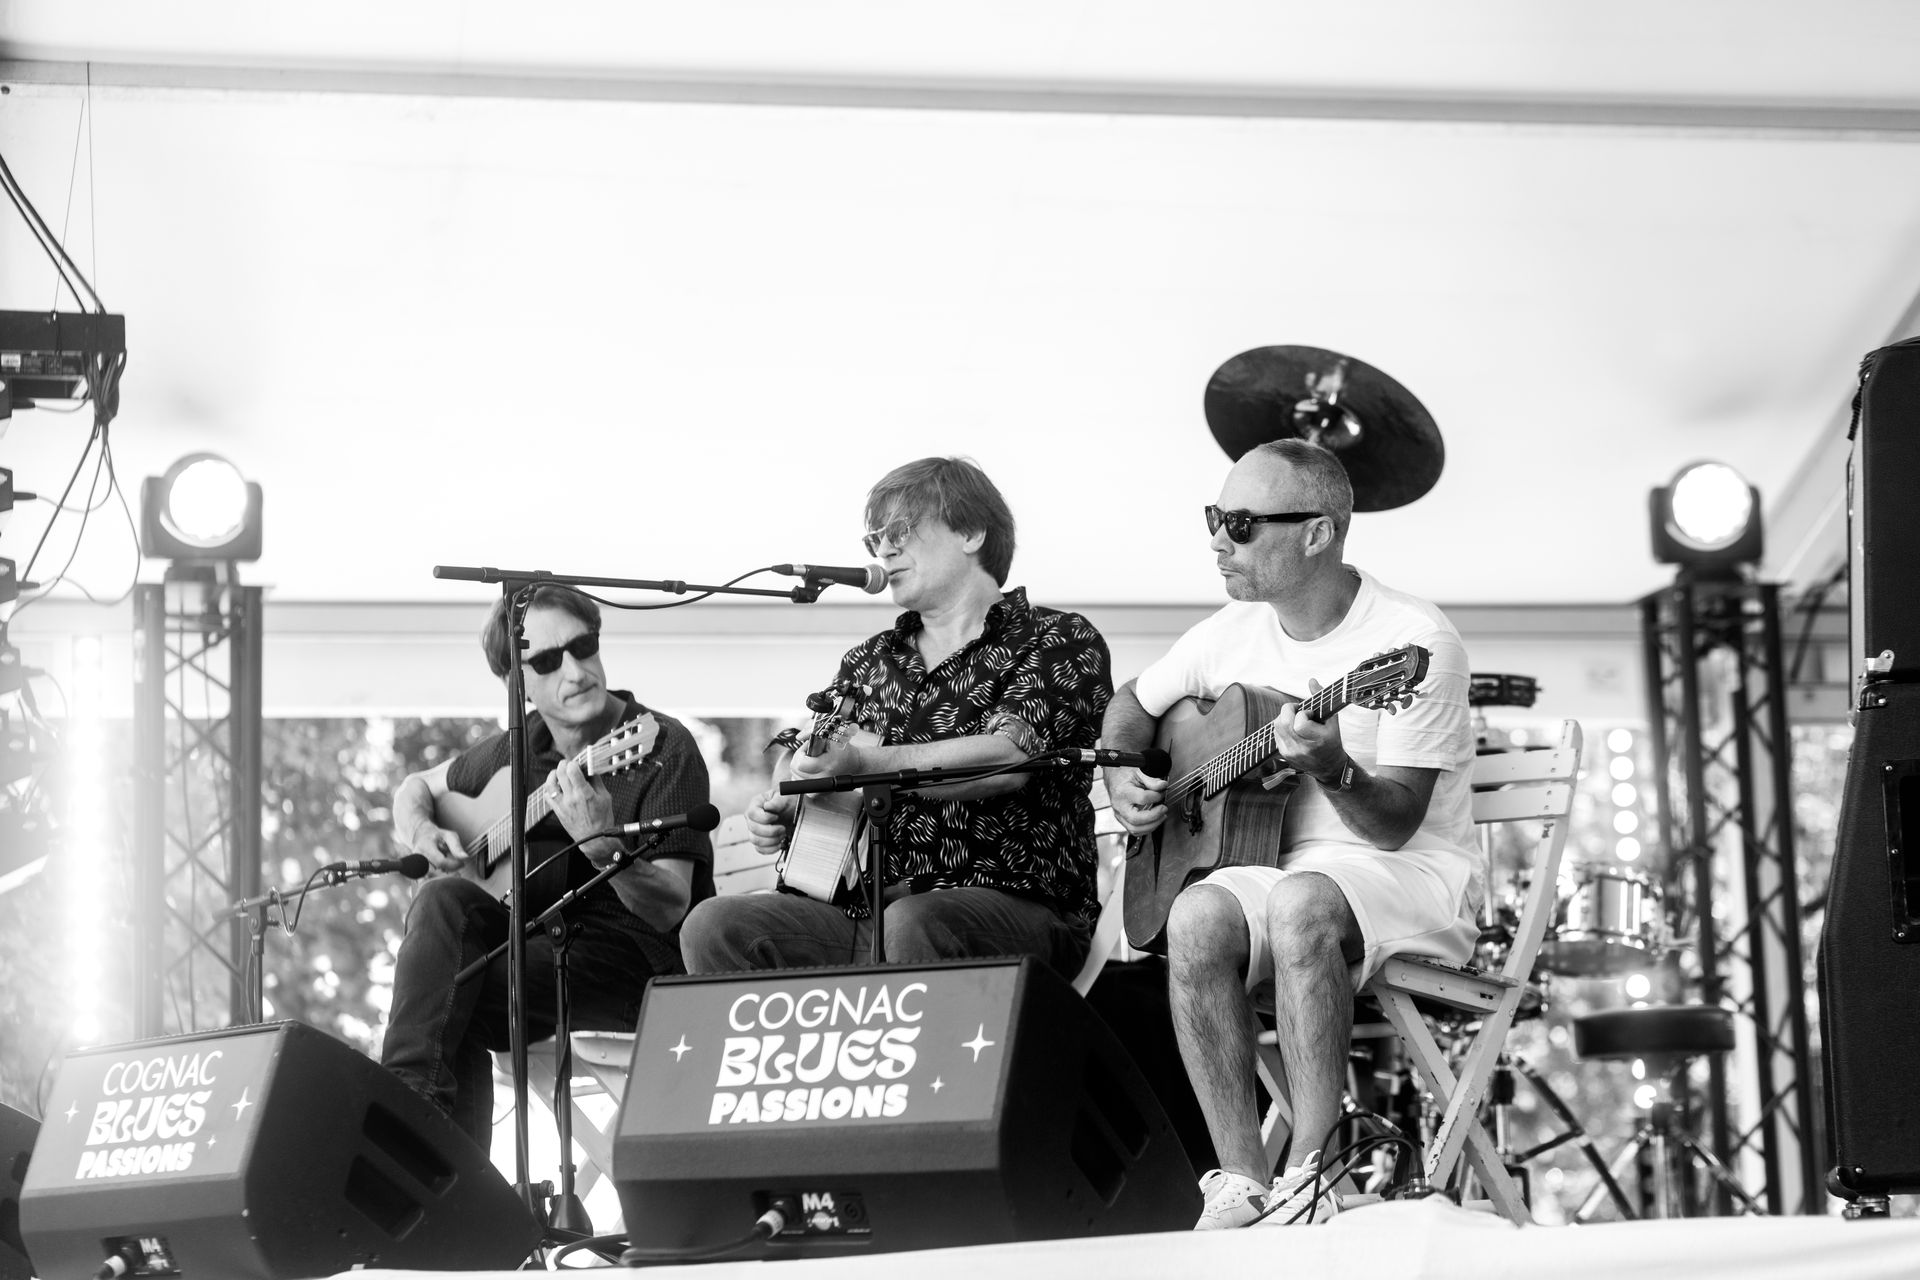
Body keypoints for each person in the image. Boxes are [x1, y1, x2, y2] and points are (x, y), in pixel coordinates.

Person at [1099, 439, 1475, 1228]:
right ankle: (1239, 1177)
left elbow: (1396, 825)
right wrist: (1124, 770)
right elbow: (1132, 700)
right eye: (1214, 518)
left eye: (1240, 524)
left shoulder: (1412, 640)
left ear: (1317, 533)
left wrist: (1334, 769)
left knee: (1301, 902)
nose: (1217, 541)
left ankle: (1311, 1170)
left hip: (1408, 871)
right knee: (1195, 914)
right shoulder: (1230, 630)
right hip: (1280, 868)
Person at [680, 456, 1111, 978]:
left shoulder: (1055, 637)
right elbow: (814, 752)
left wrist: (864, 764)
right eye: (875, 539)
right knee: (714, 926)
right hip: (865, 913)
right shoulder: (869, 660)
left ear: (971, 532)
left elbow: (1008, 759)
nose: (884, 550)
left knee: (915, 924)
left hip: (1014, 905)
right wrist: (788, 799)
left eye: (901, 530)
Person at [382, 584, 714, 1146]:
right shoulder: (518, 748)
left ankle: (416, 1143)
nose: (576, 671)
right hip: (540, 946)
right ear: (518, 685)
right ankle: (414, 1115)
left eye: (583, 647)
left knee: (445, 1001)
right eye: (547, 661)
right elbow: (416, 786)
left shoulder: (661, 747)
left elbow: (670, 909)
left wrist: (601, 844)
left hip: (639, 965)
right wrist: (422, 830)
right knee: (440, 900)